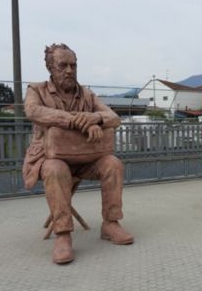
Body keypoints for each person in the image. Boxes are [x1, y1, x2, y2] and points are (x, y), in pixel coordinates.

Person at [22, 43, 133, 264]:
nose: (69, 70)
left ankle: (110, 223)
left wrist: (95, 118)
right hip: (51, 157)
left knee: (113, 163)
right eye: (63, 65)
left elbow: (114, 117)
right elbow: (33, 111)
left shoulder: (88, 95)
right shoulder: (37, 90)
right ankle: (62, 235)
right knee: (55, 168)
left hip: (86, 158)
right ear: (50, 68)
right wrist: (76, 120)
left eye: (73, 65)